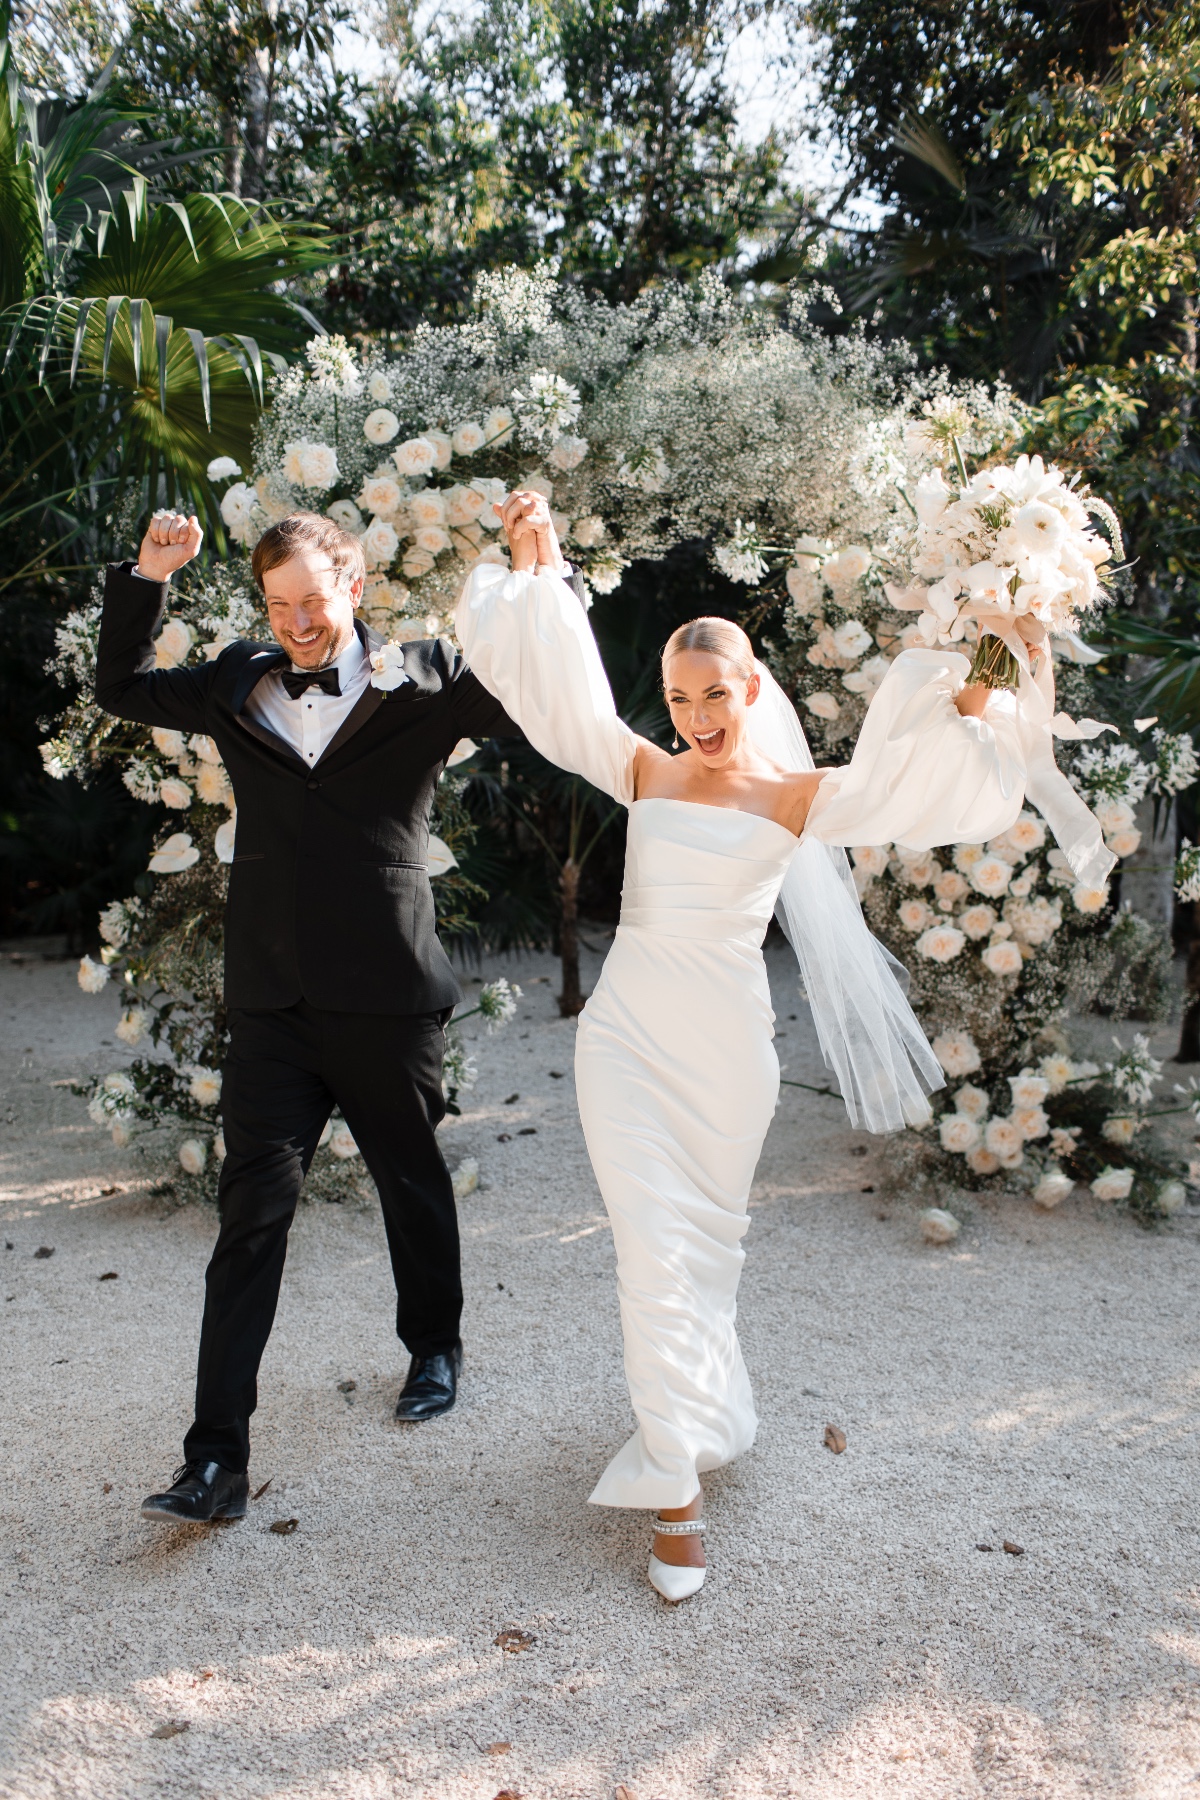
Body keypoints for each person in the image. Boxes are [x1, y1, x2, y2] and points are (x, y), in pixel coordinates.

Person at [457, 488, 1110, 1601]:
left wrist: (994, 670)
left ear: (751, 689)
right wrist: (541, 562)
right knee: (649, 1255)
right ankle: (675, 1496)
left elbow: (928, 780)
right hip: (625, 1041)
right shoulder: (643, 770)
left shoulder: (803, 796)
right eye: (678, 697)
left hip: (726, 1056)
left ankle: (704, 1418)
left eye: (715, 693)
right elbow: (558, 699)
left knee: (704, 1257)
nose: (698, 716)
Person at [95, 509, 519, 1524]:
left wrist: (535, 580)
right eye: (277, 604)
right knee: (251, 1218)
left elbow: (545, 705)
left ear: (355, 588)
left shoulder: (431, 678)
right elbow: (117, 688)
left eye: (311, 602)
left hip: (385, 995)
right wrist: (149, 578)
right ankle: (214, 1462)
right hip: (274, 1006)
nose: (294, 622)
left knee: (410, 1184)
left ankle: (433, 1345)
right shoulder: (237, 682)